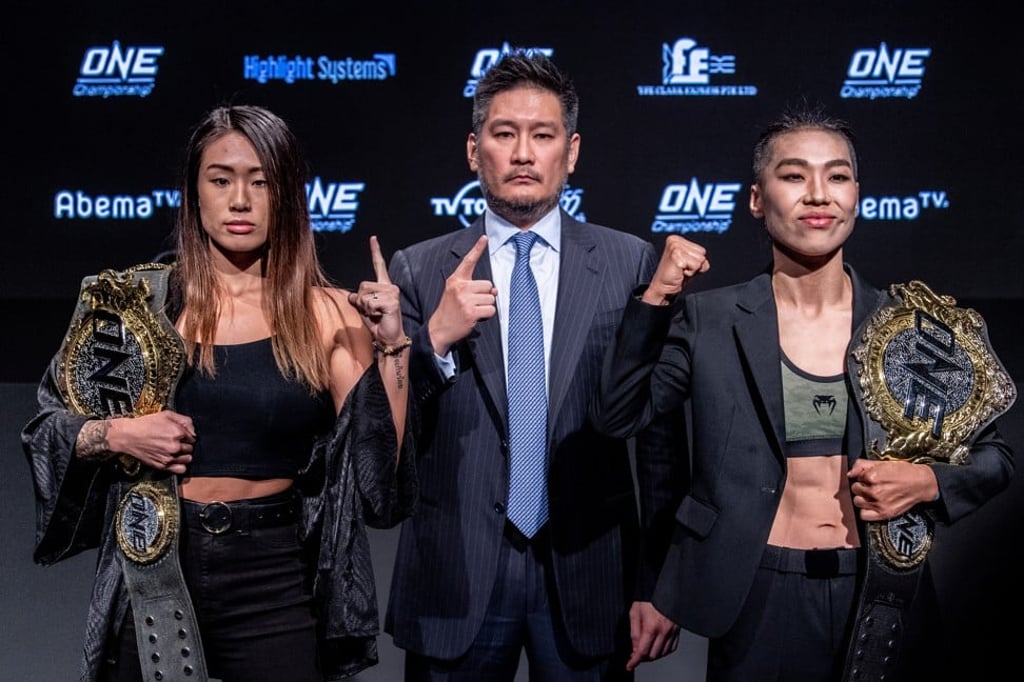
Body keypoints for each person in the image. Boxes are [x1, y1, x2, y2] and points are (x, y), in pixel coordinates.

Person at [589, 104, 1016, 681]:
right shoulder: (709, 319)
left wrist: (929, 481)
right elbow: (619, 416)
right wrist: (655, 299)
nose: (819, 194)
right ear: (757, 200)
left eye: (837, 176)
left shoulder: (908, 325)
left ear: (857, 194)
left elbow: (996, 458)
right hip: (756, 595)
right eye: (794, 176)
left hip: (880, 591)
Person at [22, 104, 416, 682]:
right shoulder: (137, 306)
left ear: (286, 196)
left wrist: (393, 347)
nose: (240, 200)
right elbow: (46, 430)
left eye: (261, 182)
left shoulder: (328, 312)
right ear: (194, 193)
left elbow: (381, 486)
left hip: (274, 578)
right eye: (221, 179)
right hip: (154, 565)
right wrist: (118, 433)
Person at [383, 50, 680, 680]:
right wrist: (434, 339)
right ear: (473, 150)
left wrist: (657, 581)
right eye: (504, 134)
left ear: (570, 152)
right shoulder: (420, 269)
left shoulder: (630, 264)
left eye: (542, 136)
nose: (523, 153)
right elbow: (385, 435)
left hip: (589, 572)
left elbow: (658, 444)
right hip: (455, 576)